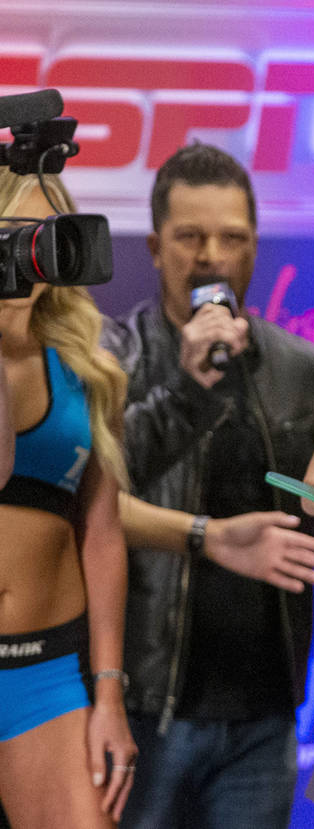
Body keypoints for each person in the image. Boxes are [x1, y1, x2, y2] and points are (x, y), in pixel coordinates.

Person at [100, 143, 314, 828]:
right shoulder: (111, 361)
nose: (211, 256)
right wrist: (185, 387)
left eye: (231, 238)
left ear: (255, 247)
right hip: (147, 707)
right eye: (190, 237)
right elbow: (94, 495)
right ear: (154, 246)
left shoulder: (304, 369)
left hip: (263, 715)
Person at [0, 170, 137, 826]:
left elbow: (103, 533)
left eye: (44, 236)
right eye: (14, 234)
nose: (30, 253)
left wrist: (108, 692)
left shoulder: (89, 365)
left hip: (46, 673)